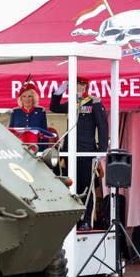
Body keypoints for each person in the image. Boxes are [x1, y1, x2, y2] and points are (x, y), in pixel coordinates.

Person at [50, 76, 109, 231]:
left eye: (78, 86)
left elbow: (102, 127)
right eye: (73, 86)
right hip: (69, 151)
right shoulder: (72, 103)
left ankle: (86, 220)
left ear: (85, 87)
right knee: (71, 187)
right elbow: (54, 108)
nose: (76, 89)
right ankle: (74, 220)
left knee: (86, 187)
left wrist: (102, 150)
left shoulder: (94, 102)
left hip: (86, 151)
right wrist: (58, 93)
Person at [8, 79, 49, 152]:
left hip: (37, 148)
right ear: (21, 98)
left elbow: (45, 133)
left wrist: (43, 151)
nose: (27, 99)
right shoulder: (15, 112)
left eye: (29, 96)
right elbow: (11, 133)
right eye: (24, 96)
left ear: (34, 98)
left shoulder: (40, 111)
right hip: (19, 148)